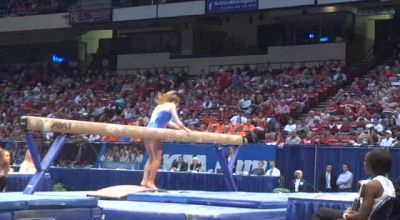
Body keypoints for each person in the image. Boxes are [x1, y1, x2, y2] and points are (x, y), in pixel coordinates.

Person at [312, 149, 396, 220]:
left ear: (372, 164)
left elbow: (361, 217)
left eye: (366, 161)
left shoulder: (371, 185)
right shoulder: (389, 183)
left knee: (321, 212)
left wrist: (345, 215)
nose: (364, 163)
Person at [140, 91, 191, 190]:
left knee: (151, 158)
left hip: (146, 132)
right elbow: (177, 121)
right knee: (157, 158)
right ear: (175, 102)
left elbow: (170, 123)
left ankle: (144, 180)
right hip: (155, 132)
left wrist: (181, 129)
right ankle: (151, 182)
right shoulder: (171, 105)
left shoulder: (159, 106)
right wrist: (186, 129)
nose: (176, 107)